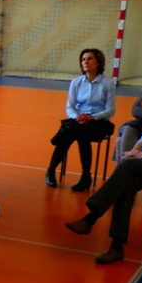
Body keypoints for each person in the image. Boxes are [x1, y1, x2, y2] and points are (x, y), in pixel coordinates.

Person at [65, 70, 142, 264]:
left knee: (128, 167)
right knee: (127, 184)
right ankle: (116, 247)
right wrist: (135, 150)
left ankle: (91, 218)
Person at [46, 48, 116, 191]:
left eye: (90, 59)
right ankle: (51, 170)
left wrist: (92, 117)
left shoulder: (108, 83)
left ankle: (85, 176)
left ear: (98, 63)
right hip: (79, 119)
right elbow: (69, 107)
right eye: (83, 59)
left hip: (99, 121)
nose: (85, 62)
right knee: (68, 131)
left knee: (81, 132)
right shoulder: (76, 82)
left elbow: (110, 110)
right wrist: (77, 117)